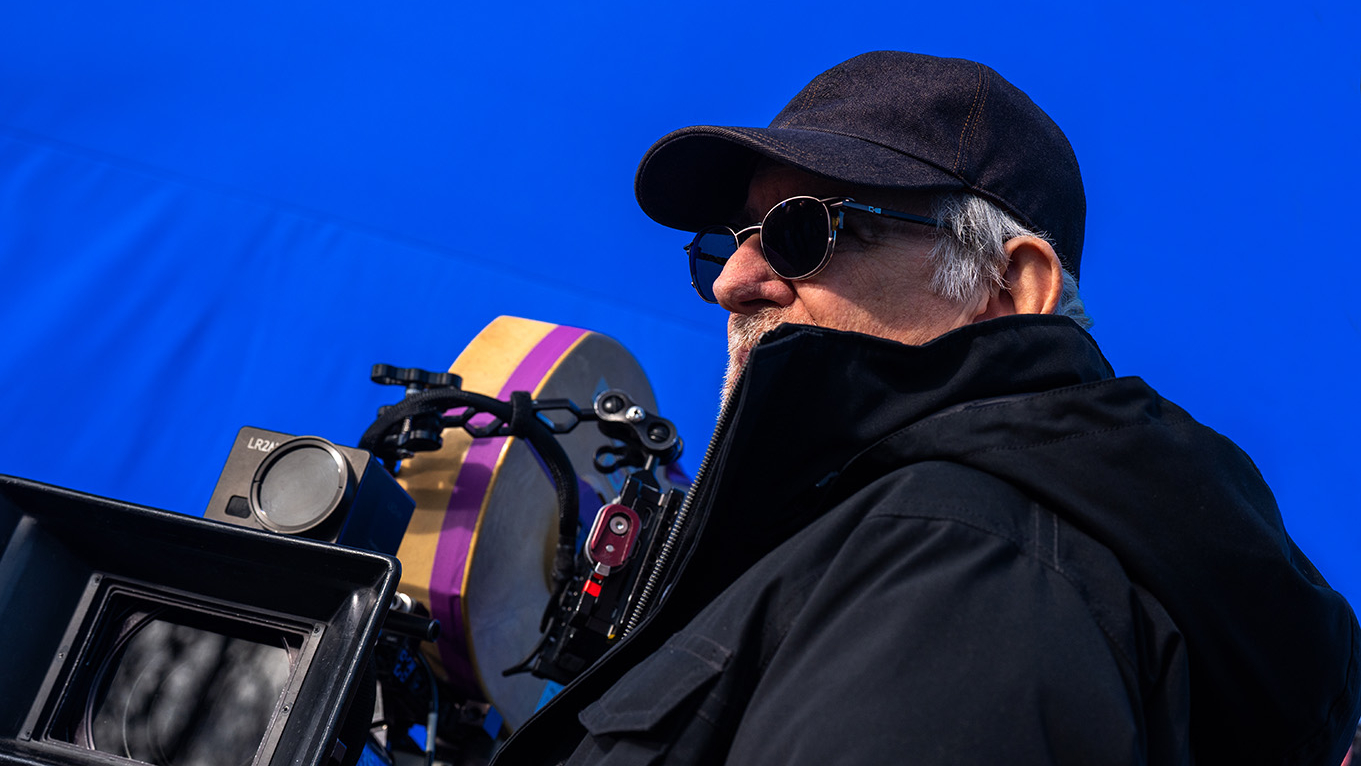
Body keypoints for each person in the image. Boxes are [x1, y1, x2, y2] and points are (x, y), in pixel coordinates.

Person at [491, 51, 1361, 765]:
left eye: (801, 230)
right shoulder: (903, 544)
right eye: (726, 242)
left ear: (1008, 286)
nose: (730, 281)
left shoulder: (958, 551)